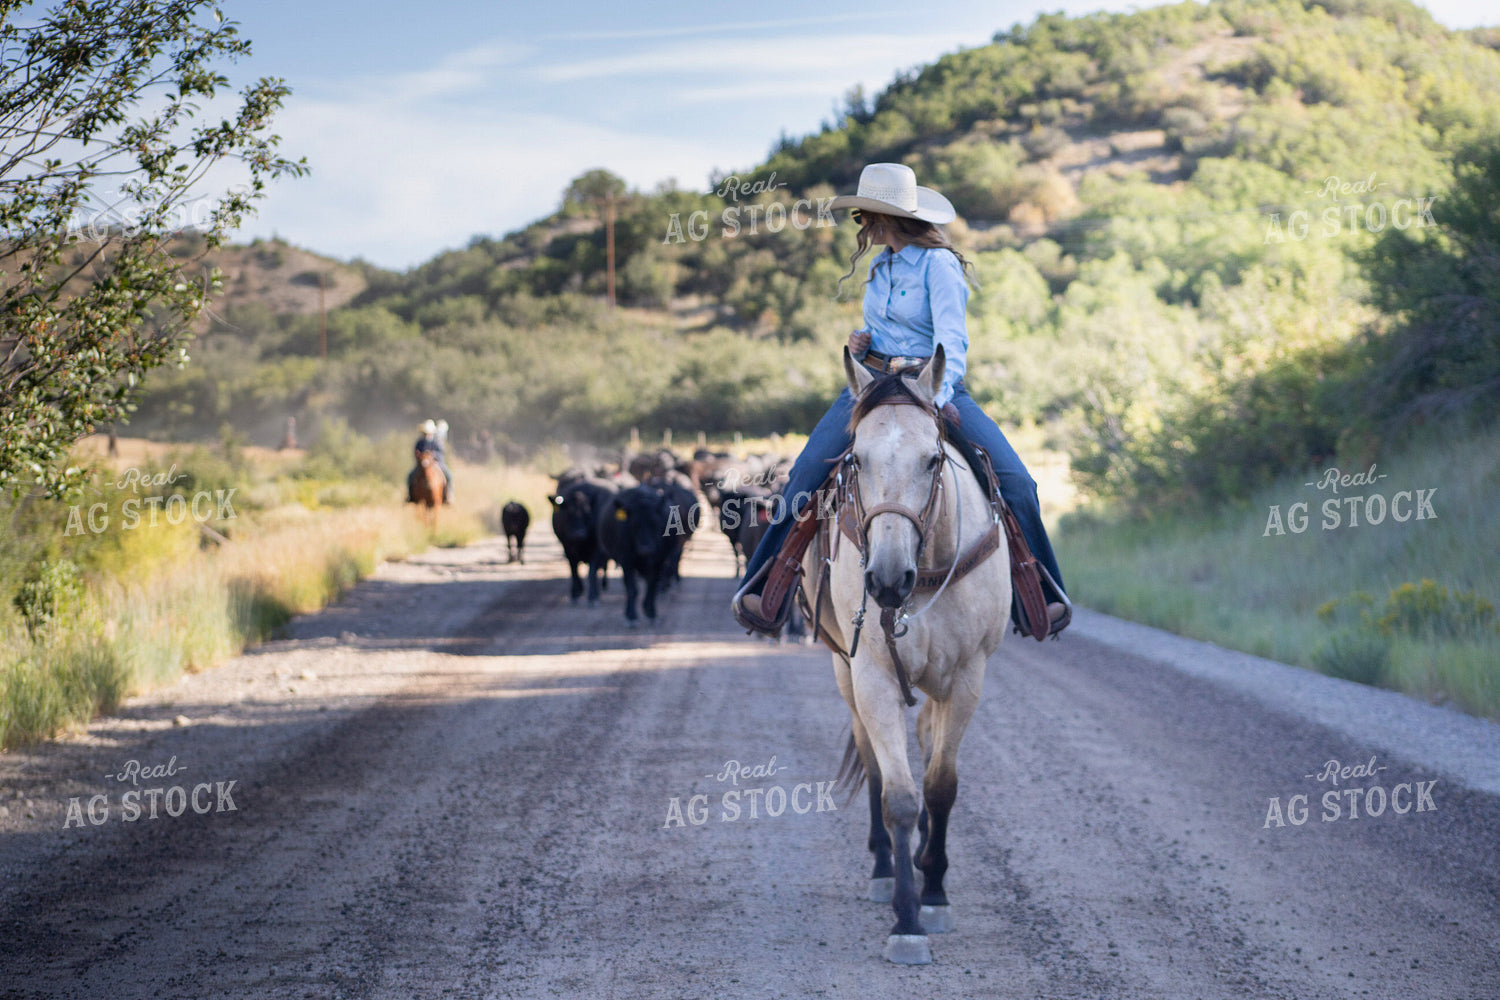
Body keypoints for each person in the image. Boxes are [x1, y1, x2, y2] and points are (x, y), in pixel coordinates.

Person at [731, 162, 1068, 638]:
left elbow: (952, 342)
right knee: (805, 475)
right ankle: (767, 589)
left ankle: (1040, 597)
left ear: (885, 216)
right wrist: (862, 346)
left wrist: (935, 395)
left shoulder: (940, 265)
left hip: (932, 385)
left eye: (866, 215)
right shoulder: (879, 265)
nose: (861, 225)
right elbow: (888, 334)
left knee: (1017, 483)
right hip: (873, 386)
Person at [408, 418, 453, 504]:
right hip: (421, 465)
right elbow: (415, 452)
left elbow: (441, 453)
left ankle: (448, 495)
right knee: (410, 476)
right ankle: (411, 496)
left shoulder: (436, 442)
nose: (426, 434)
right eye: (425, 433)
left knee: (449, 475)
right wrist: (420, 456)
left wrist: (433, 456)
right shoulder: (419, 442)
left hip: (437, 464)